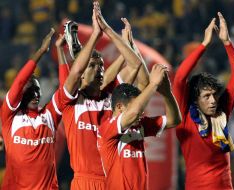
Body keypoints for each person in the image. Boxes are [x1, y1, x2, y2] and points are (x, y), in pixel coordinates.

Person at [58, 2, 149, 189]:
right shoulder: (71, 100)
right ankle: (80, 52)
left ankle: (81, 53)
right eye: (92, 65)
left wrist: (121, 41)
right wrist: (95, 34)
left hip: (114, 179)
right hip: (85, 182)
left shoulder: (112, 96)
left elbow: (135, 65)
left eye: (101, 66)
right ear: (83, 70)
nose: (99, 69)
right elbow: (75, 75)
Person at [173, 12, 234, 190]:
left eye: (214, 95)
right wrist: (204, 44)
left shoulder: (222, 112)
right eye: (206, 96)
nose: (213, 100)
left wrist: (227, 43)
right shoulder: (184, 117)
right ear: (195, 100)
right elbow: (179, 79)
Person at [0, 29, 69, 190]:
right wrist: (41, 51)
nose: (35, 94)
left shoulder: (50, 114)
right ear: (21, 94)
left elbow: (65, 88)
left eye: (37, 90)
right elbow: (18, 83)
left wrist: (59, 50)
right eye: (30, 90)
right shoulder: (9, 116)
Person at [97, 64, 181, 190]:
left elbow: (174, 120)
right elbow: (134, 112)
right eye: (136, 106)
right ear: (119, 107)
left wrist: (167, 94)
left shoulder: (140, 125)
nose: (141, 112)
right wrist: (153, 85)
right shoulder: (107, 129)